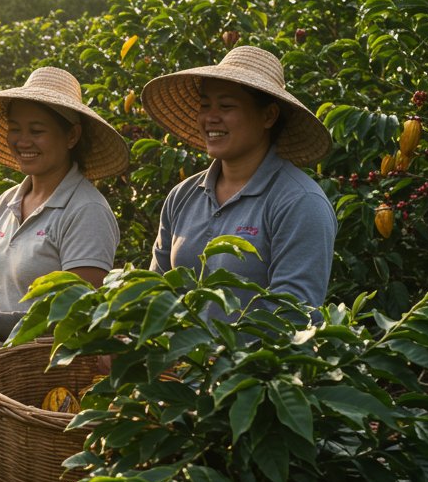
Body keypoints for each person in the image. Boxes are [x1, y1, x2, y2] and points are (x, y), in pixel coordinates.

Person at [0, 66, 128, 363]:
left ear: (71, 136)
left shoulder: (86, 210)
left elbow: (80, 313)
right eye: (15, 128)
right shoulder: (8, 200)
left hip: (48, 376)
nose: (22, 141)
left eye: (37, 131)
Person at [141, 45, 336, 310]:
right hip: (178, 353)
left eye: (226, 106)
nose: (211, 117)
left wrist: (222, 352)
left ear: (268, 116)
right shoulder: (182, 196)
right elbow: (156, 292)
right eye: (205, 105)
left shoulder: (300, 203)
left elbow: (292, 315)